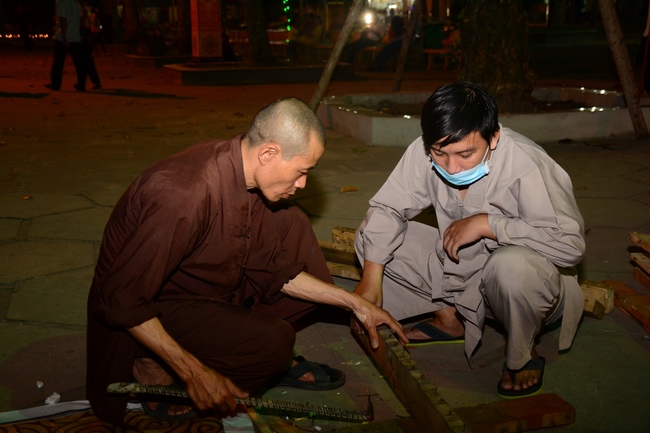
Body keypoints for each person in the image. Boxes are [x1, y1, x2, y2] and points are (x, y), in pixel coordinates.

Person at [86, 97, 408, 426]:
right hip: (144, 309)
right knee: (272, 343)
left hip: (196, 292)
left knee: (291, 223)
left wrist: (355, 302)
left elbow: (277, 271)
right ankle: (151, 362)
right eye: (301, 172)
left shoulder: (242, 171)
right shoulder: (183, 195)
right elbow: (121, 299)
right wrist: (194, 372)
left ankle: (230, 351)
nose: (303, 184)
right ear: (268, 153)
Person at [354, 82, 585, 399]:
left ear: (494, 137)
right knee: (373, 236)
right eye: (440, 154)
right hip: (462, 275)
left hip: (524, 287)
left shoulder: (527, 163)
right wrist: (370, 281)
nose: (451, 167)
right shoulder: (427, 148)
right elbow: (387, 209)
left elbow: (570, 245)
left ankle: (523, 351)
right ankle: (450, 319)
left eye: (466, 154)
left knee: (511, 267)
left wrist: (489, 224)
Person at [44, 0, 85, 91]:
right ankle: (81, 84)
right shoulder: (76, 3)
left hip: (63, 37)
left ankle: (56, 84)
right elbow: (80, 19)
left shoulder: (61, 2)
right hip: (75, 36)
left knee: (58, 62)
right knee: (79, 62)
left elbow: (63, 19)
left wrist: (64, 36)